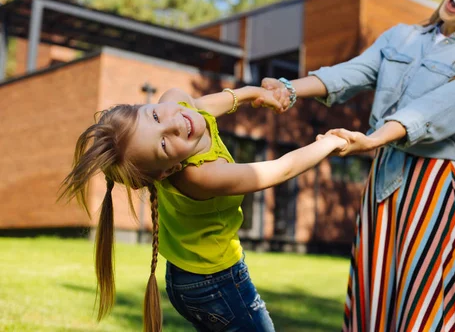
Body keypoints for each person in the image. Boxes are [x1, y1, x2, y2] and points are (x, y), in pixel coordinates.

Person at [257, 0, 455, 332]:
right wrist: (289, 88)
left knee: (424, 309)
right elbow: (350, 73)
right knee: (374, 297)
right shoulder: (400, 37)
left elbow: (428, 114)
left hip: (430, 191)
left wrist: (372, 140)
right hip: (383, 184)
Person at [59, 85, 347, 332]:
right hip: (213, 284)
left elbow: (205, 106)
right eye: (163, 142)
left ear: (149, 106)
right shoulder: (201, 176)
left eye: (156, 115)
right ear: (168, 169)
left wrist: (255, 94)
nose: (174, 124)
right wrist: (330, 143)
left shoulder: (176, 104)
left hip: (186, 277)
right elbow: (280, 170)